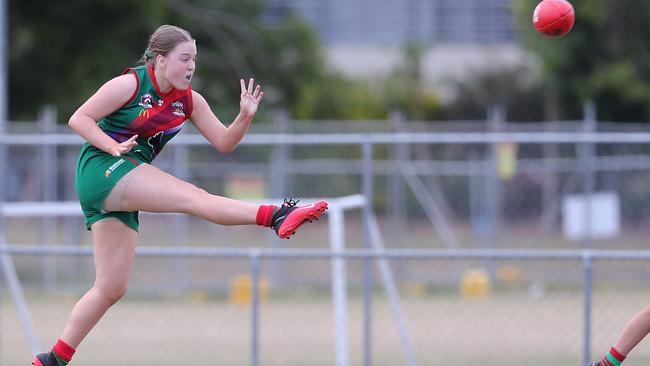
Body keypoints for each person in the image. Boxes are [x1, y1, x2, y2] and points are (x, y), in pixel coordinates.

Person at [32, 24, 328, 366]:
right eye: (184, 58)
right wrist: (113, 146)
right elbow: (79, 118)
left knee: (111, 287)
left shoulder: (188, 101)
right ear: (160, 60)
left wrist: (244, 117)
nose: (191, 66)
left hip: (123, 177)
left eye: (195, 60)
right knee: (193, 197)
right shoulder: (130, 84)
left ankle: (52, 360)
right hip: (102, 168)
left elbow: (224, 142)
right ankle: (275, 216)